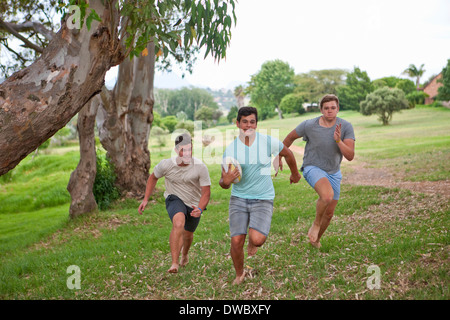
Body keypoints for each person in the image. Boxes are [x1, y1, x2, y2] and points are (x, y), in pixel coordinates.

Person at [219, 106, 301, 285]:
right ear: (237, 123)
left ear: (256, 124)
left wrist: (295, 174)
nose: (248, 125)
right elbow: (223, 183)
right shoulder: (231, 151)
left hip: (263, 197)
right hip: (238, 198)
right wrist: (226, 181)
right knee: (236, 240)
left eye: (252, 122)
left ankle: (252, 240)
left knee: (257, 239)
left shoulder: (267, 141)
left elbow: (287, 153)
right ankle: (239, 274)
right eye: (244, 122)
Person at [279, 94, 355, 248]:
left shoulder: (345, 127)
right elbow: (289, 138)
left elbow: (350, 156)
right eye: (326, 108)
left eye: (333, 108)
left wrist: (338, 141)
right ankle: (315, 224)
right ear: (321, 110)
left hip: (333, 171)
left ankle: (316, 240)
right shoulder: (309, 125)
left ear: (338, 109)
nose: (329, 111)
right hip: (312, 166)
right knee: (327, 196)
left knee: (329, 213)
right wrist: (279, 157)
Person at [138, 133, 211, 273]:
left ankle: (185, 255)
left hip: (194, 204)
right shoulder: (166, 164)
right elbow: (153, 178)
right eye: (184, 150)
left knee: (188, 235)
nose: (187, 153)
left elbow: (206, 192)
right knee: (178, 223)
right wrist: (146, 199)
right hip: (174, 198)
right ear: (177, 150)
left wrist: (200, 209)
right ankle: (174, 263)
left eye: (190, 149)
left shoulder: (200, 167)